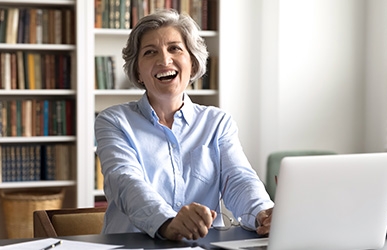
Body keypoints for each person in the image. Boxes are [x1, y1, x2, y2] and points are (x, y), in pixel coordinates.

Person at [94, 9, 274, 241]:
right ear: (138, 71)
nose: (164, 60)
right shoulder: (113, 121)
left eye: (175, 48)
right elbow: (125, 181)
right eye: (150, 52)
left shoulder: (217, 123)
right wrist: (168, 222)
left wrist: (264, 213)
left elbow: (239, 180)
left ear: (192, 61)